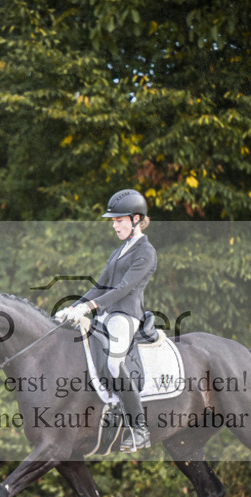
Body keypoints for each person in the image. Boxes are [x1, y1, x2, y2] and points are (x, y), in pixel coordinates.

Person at [56, 189, 156, 451]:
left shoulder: (146, 252)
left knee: (113, 363)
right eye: (113, 221)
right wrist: (74, 308)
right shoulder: (119, 251)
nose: (114, 225)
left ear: (136, 219)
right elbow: (100, 285)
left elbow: (123, 289)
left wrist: (89, 307)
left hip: (126, 316)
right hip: (105, 314)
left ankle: (139, 429)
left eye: (119, 220)